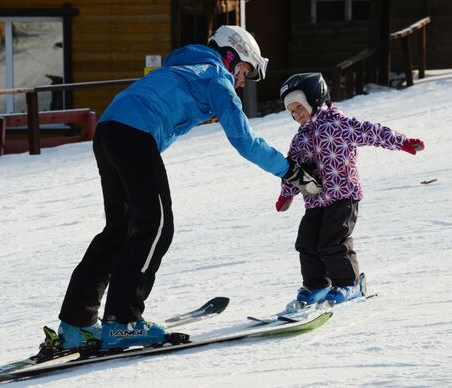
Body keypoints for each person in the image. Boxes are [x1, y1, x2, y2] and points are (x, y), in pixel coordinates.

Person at [55, 26, 323, 351]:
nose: (241, 81)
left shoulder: (184, 67)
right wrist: (290, 170)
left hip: (109, 130)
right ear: (231, 57)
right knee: (156, 225)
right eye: (245, 71)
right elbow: (245, 141)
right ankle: (123, 322)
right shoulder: (215, 78)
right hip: (133, 135)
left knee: (121, 229)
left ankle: (76, 323)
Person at [277, 73, 425, 310]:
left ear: (315, 100)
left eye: (299, 107)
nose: (296, 114)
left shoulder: (340, 124)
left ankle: (349, 284)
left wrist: (403, 142)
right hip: (314, 201)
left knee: (332, 242)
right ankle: (316, 286)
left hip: (343, 195)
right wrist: (286, 194)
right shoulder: (299, 139)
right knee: (306, 243)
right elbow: (293, 169)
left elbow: (373, 132)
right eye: (292, 111)